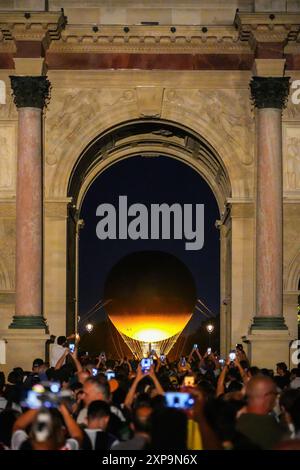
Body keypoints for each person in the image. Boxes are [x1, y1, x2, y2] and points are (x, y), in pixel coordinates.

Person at [236, 375, 286, 449]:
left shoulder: (234, 422)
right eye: (275, 394)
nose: (276, 398)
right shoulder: (274, 430)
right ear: (267, 396)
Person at [11, 403, 83, 450]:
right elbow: (78, 436)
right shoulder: (64, 448)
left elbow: (18, 426)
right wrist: (64, 410)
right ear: (58, 432)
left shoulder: (24, 446)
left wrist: (41, 404)